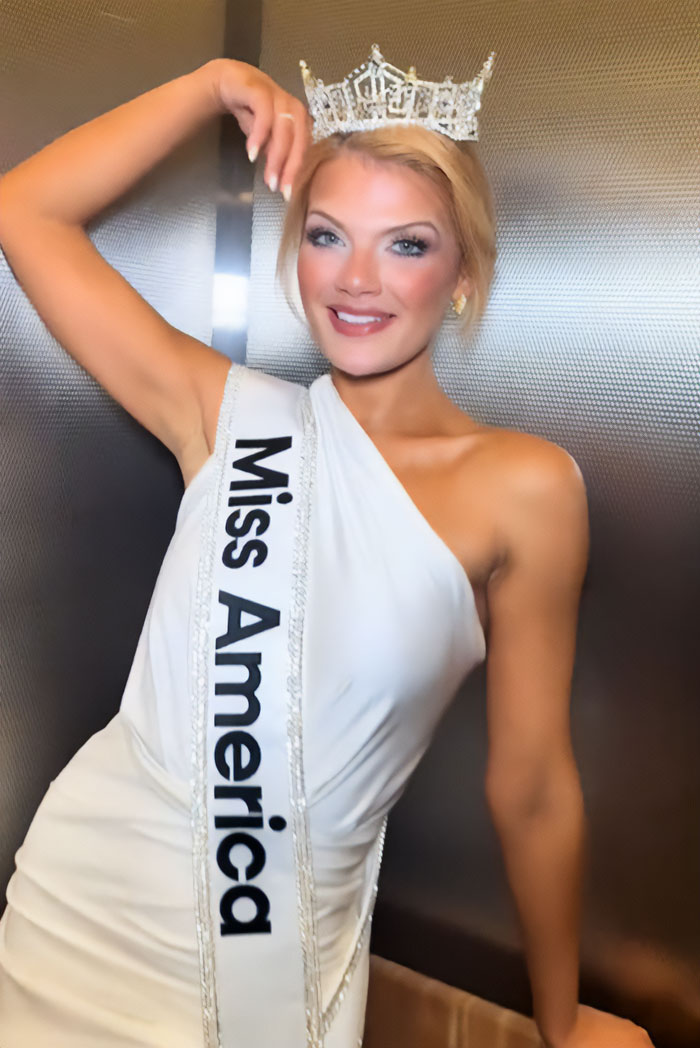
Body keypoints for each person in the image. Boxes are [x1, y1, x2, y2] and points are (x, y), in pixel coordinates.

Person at [0, 46, 654, 1048]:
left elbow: (528, 784)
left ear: (465, 277)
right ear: (292, 254)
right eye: (326, 234)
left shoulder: (523, 487)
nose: (356, 280)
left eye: (406, 245)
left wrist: (559, 1021)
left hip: (274, 956)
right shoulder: (224, 414)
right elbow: (24, 210)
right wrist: (208, 84)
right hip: (81, 905)